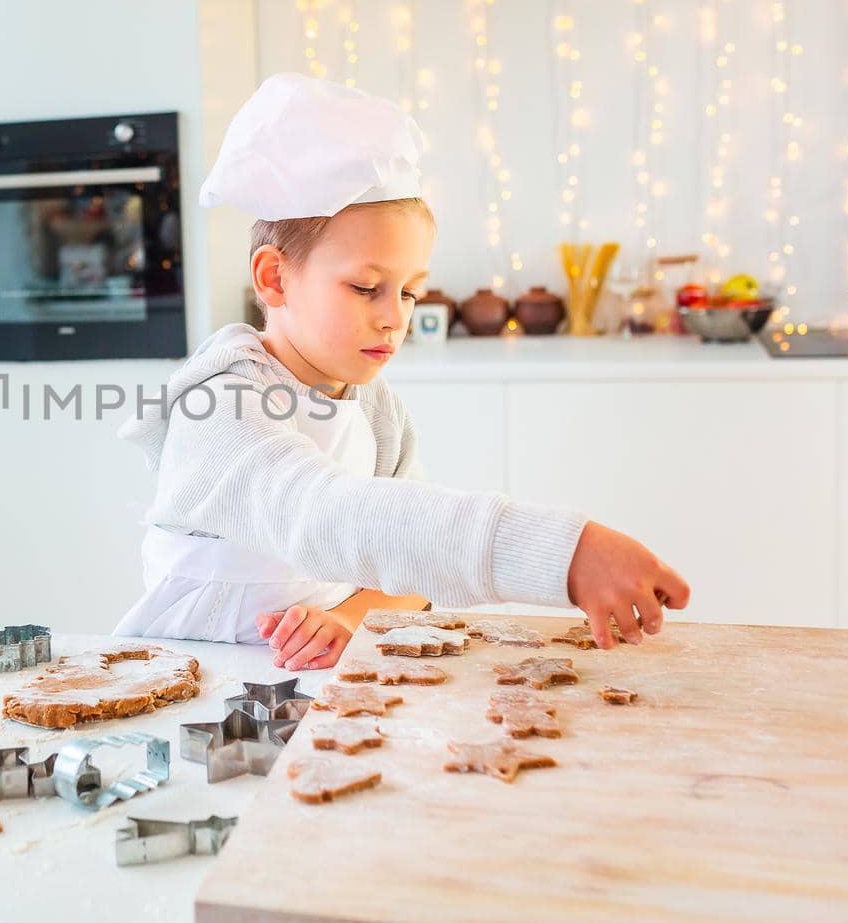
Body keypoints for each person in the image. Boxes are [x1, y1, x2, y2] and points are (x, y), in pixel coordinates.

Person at [112, 73, 689, 669]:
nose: (395, 318)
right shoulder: (221, 408)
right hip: (190, 684)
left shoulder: (375, 409)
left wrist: (345, 618)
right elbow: (331, 516)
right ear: (274, 278)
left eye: (412, 293)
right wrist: (561, 554)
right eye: (366, 288)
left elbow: (410, 567)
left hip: (312, 687)